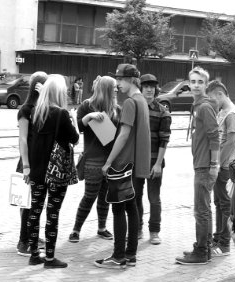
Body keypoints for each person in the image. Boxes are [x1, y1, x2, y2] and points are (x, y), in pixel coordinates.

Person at [94, 64, 150, 269]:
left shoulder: (129, 103)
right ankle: (130, 255)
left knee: (118, 208)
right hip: (136, 164)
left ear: (131, 80)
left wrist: (109, 161)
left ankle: (118, 256)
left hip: (123, 164)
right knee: (132, 208)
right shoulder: (142, 100)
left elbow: (124, 134)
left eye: (120, 79)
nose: (117, 83)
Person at [27, 74, 80, 268]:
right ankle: (49, 258)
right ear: (60, 92)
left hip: (37, 170)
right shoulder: (61, 113)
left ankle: (33, 255)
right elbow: (74, 139)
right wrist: (73, 117)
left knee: (35, 210)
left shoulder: (36, 112)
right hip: (55, 173)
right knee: (52, 213)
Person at [68, 76, 121, 243]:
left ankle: (102, 228)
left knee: (105, 196)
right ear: (106, 88)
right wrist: (90, 116)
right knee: (89, 196)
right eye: (114, 87)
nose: (117, 90)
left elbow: (118, 136)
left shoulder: (117, 109)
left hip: (110, 159)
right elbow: (78, 127)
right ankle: (76, 230)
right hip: (93, 159)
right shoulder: (87, 105)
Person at [175, 66, 220, 265]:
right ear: (188, 83)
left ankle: (202, 251)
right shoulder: (200, 105)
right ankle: (204, 248)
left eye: (200, 82)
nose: (195, 85)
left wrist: (214, 164)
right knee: (204, 209)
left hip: (205, 165)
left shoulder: (204, 107)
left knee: (201, 210)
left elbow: (214, 136)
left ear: (206, 84)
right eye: (193, 82)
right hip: (201, 163)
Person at [206, 80, 235, 256]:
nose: (212, 102)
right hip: (222, 165)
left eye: (213, 98)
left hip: (226, 167)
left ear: (220, 94)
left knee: (225, 205)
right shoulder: (223, 112)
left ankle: (224, 243)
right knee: (219, 203)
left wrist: (218, 162)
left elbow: (230, 141)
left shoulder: (231, 114)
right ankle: (218, 238)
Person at [134, 74, 171, 245]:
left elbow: (164, 140)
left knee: (154, 198)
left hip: (154, 161)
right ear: (141, 88)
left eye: (152, 86)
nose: (149, 89)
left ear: (156, 89)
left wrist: (157, 164)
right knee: (135, 196)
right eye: (146, 86)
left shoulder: (163, 111)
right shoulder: (135, 107)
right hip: (136, 161)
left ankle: (154, 231)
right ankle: (138, 227)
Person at [16, 71, 49, 256]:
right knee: (27, 203)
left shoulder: (44, 110)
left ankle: (32, 235)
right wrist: (26, 165)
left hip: (40, 163)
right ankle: (24, 241)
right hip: (28, 163)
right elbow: (22, 139)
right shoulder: (26, 110)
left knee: (36, 204)